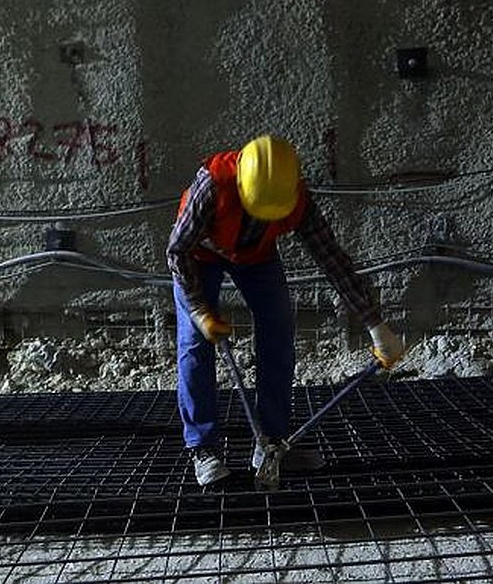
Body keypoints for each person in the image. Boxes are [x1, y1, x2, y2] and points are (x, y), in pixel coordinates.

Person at [167, 135, 405, 485]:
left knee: (278, 331)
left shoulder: (295, 197)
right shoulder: (212, 186)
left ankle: (271, 442)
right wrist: (201, 311)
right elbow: (177, 252)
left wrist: (376, 326)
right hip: (198, 256)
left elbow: (333, 261)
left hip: (256, 256)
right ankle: (203, 447)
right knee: (195, 345)